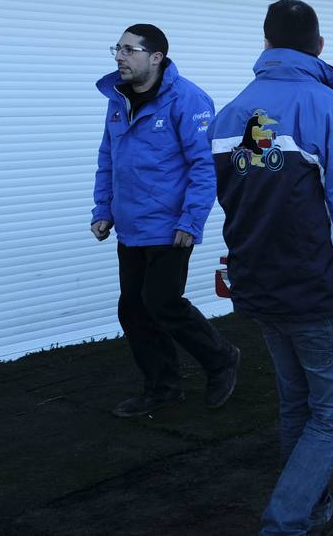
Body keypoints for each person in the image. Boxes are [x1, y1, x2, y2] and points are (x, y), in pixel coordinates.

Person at [211, 0, 333, 536]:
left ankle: (315, 511)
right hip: (318, 296)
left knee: (298, 408)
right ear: (320, 47)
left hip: (259, 289)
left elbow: (241, 203)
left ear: (266, 43)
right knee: (332, 419)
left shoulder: (233, 114)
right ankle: (285, 523)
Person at [92, 25, 240, 419]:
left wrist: (191, 221)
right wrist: (103, 210)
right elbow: (109, 157)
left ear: (155, 57)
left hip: (170, 227)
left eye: (128, 50)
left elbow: (203, 168)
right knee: (133, 309)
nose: (119, 57)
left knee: (161, 302)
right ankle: (162, 388)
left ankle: (221, 358)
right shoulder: (117, 99)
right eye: (117, 49)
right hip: (131, 226)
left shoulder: (188, 100)